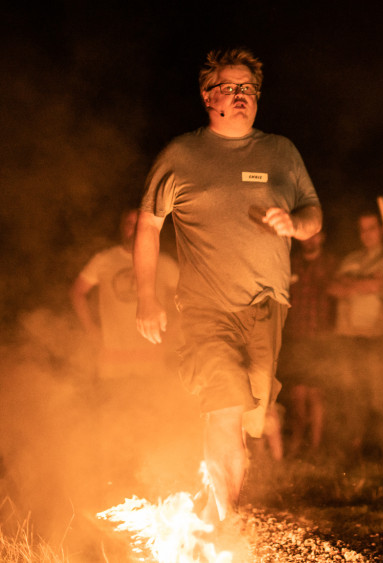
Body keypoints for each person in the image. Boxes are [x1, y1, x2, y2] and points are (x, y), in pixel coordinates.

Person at [133, 48, 321, 526]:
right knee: (225, 407)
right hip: (205, 308)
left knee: (249, 416)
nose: (241, 97)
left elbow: (313, 214)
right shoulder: (182, 155)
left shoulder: (281, 151)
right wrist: (146, 297)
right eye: (230, 88)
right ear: (207, 96)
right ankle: (225, 529)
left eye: (249, 90)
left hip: (267, 306)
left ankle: (217, 505)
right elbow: (149, 225)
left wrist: (296, 226)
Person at [70, 208, 180, 491]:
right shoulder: (104, 260)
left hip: (151, 360)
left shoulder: (163, 263)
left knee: (149, 420)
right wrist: (92, 331)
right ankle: (111, 482)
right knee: (111, 421)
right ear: (121, 228)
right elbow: (77, 292)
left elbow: (187, 297)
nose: (134, 228)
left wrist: (175, 333)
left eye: (138, 224)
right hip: (113, 360)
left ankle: (147, 482)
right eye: (129, 223)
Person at [327, 211, 383, 461]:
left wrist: (351, 284)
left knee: (380, 395)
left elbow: (378, 284)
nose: (367, 234)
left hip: (376, 337)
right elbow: (333, 287)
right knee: (352, 394)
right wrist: (361, 284)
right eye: (363, 229)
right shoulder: (352, 258)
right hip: (348, 337)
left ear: (382, 230)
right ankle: (355, 451)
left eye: (372, 228)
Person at [280, 229, 337, 459]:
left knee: (316, 394)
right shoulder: (292, 263)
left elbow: (338, 291)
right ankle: (297, 441)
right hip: (296, 337)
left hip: (320, 338)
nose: (310, 240)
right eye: (306, 235)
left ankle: (315, 447)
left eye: (315, 235)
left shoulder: (330, 263)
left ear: (322, 237)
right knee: (297, 394)